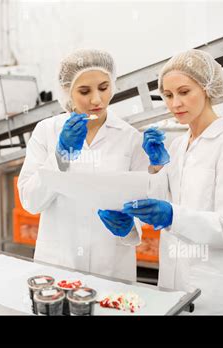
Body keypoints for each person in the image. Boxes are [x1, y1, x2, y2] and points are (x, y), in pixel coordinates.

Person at [100, 49, 223, 314]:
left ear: (207, 89)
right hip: (173, 284)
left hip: (215, 290)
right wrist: (131, 222)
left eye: (184, 92)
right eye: (168, 95)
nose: (175, 103)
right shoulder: (176, 147)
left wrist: (172, 215)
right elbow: (164, 208)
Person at [17, 49, 149, 281]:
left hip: (111, 264)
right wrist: (60, 155)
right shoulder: (47, 132)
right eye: (85, 91)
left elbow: (142, 198)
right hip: (58, 263)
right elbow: (30, 201)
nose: (96, 99)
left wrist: (129, 226)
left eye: (104, 87)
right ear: (67, 92)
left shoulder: (130, 138)